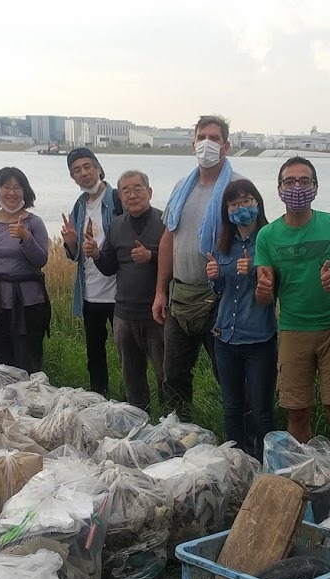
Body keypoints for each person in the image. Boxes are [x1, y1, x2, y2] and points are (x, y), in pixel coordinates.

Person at [254, 157, 330, 467]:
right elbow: (265, 293)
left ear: (315, 187)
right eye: (289, 182)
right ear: (279, 189)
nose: (297, 188)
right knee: (297, 412)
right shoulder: (268, 236)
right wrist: (262, 293)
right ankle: (303, 483)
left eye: (304, 181)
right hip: (292, 330)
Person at [153, 114, 245, 420]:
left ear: (226, 146)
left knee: (228, 375)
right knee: (174, 374)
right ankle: (179, 436)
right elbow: (168, 240)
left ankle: (243, 439)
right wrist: (160, 292)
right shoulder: (182, 187)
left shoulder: (237, 189)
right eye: (202, 137)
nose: (207, 143)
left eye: (215, 138)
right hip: (180, 295)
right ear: (193, 143)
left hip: (220, 298)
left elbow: (251, 243)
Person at [206, 179, 277, 460]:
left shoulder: (269, 239)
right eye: (234, 204)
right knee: (232, 408)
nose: (240, 208)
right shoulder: (223, 243)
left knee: (261, 411)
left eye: (246, 201)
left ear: (257, 202)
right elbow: (222, 290)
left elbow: (273, 288)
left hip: (259, 338)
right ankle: (237, 464)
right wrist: (214, 277)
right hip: (225, 337)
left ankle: (268, 466)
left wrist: (253, 271)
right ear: (226, 211)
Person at [84, 171, 165, 412]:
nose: (132, 195)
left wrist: (152, 256)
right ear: (119, 197)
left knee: (166, 374)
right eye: (126, 191)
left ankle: (174, 424)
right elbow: (109, 267)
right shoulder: (116, 225)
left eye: (138, 189)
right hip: (124, 314)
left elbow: (177, 262)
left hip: (157, 313)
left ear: (149, 192)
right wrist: (96, 253)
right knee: (132, 375)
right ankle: (139, 421)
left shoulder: (165, 222)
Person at [0, 167, 50, 372]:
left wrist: (26, 237)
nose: (12, 193)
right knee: (0, 359)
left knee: (28, 357)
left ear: (25, 192)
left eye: (17, 187)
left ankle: (31, 399)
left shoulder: (34, 222)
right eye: (6, 187)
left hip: (30, 302)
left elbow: (41, 260)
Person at [60, 147, 119, 395]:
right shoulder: (80, 204)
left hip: (119, 293)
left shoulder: (117, 199)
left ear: (98, 168)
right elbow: (75, 254)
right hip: (90, 293)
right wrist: (71, 241)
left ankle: (136, 404)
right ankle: (99, 398)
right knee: (94, 353)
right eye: (76, 170)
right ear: (73, 177)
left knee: (129, 352)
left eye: (87, 167)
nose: (83, 173)